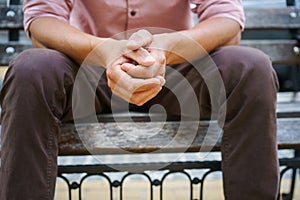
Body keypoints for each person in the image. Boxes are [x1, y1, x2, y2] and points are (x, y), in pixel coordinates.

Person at [0, 0, 280, 199]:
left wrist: (165, 50)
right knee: (31, 70)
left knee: (252, 67)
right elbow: (43, 19)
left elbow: (227, 19)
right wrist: (103, 50)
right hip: (88, 70)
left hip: (176, 74)